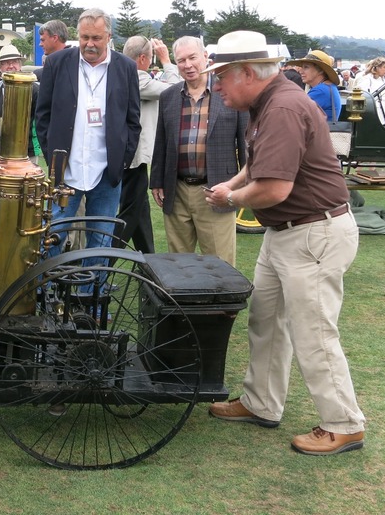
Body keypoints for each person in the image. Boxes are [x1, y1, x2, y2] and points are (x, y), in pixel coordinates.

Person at [202, 30, 366, 456]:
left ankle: (344, 424)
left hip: (312, 233)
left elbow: (273, 187)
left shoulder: (283, 107)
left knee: (313, 331)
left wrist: (230, 198)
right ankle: (261, 403)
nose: (216, 85)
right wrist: (234, 182)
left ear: (247, 73)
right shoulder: (270, 102)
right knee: (267, 319)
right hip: (289, 233)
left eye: (221, 76)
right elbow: (259, 165)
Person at [34, 8, 141, 259]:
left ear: (108, 37)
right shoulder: (57, 63)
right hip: (65, 171)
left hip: (106, 173)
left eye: (96, 38)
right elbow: (43, 115)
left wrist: (121, 160)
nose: (89, 44)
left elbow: (132, 121)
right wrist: (53, 158)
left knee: (101, 240)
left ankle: (90, 297)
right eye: (84, 38)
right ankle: (45, 293)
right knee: (50, 237)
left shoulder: (126, 67)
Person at [149, 36, 248, 266]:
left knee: (220, 263)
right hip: (177, 191)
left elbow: (245, 145)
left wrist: (244, 183)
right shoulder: (168, 96)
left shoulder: (230, 93)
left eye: (192, 57)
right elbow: (161, 142)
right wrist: (156, 181)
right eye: (181, 60)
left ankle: (221, 301)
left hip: (216, 190)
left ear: (205, 57)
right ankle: (185, 303)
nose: (187, 65)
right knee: (179, 263)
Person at [116, 35, 180, 253]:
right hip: (134, 158)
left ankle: (148, 262)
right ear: (142, 58)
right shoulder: (136, 78)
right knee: (130, 213)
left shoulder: (123, 75)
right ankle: (101, 265)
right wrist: (167, 60)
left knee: (139, 211)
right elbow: (177, 89)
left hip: (131, 157)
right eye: (151, 57)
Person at [0, 44, 37, 160]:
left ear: (20, 64)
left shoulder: (34, 89)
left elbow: (38, 120)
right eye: (6, 62)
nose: (11, 66)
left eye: (14, 62)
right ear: (0, 66)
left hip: (26, 152)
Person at [290, 50, 342, 122]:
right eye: (301, 67)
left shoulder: (321, 91)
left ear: (321, 70)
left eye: (306, 67)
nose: (300, 71)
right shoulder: (327, 87)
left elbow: (293, 114)